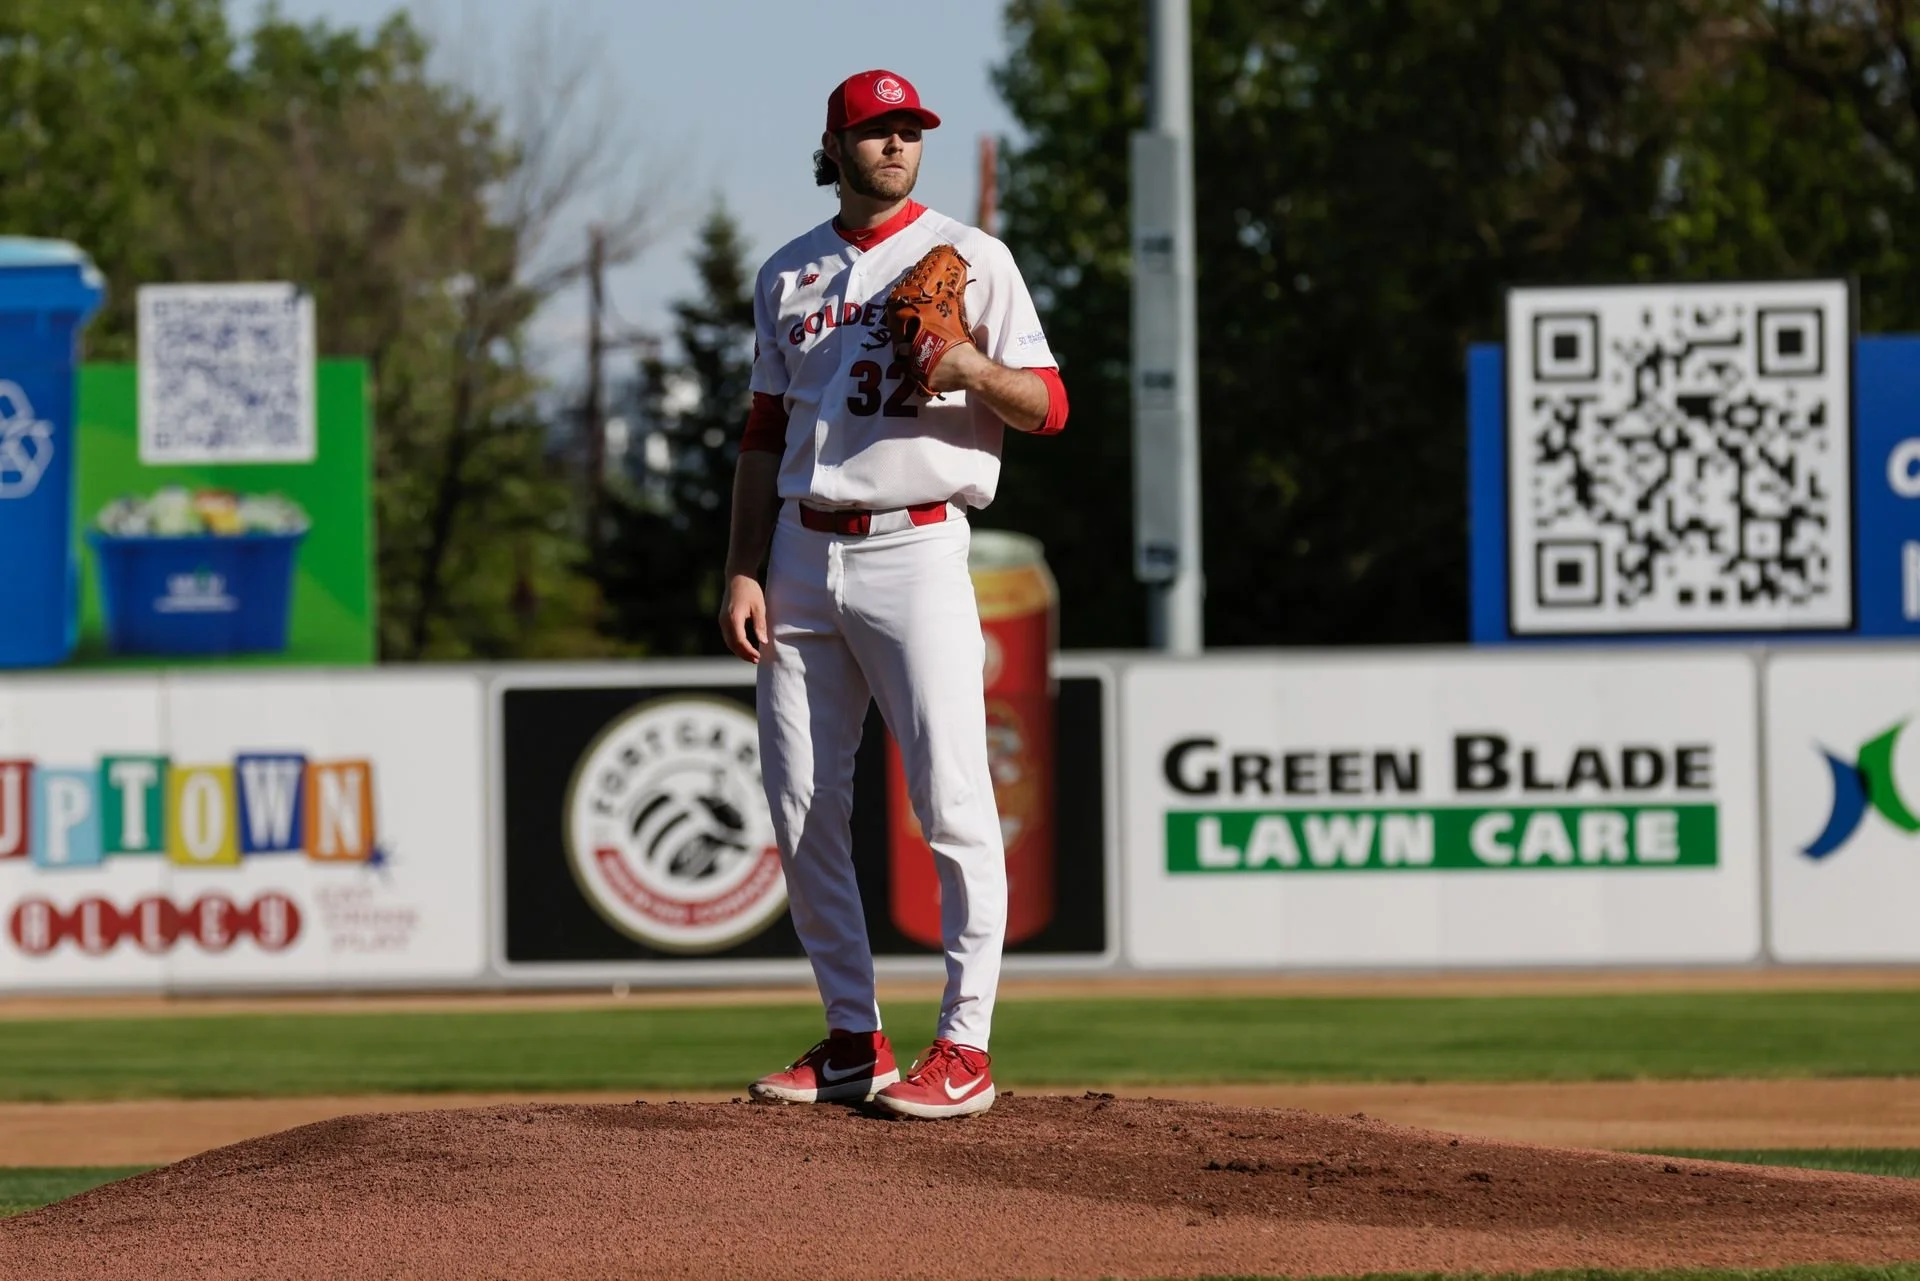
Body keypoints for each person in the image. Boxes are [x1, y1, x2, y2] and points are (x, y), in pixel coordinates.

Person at [717, 69, 1068, 1120]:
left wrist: (966, 363)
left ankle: (965, 1046)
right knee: (803, 806)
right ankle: (851, 1038)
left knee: (953, 800)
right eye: (875, 130)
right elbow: (763, 434)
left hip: (916, 547)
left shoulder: (972, 258)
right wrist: (741, 563)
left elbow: (1048, 406)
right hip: (796, 550)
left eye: (909, 129)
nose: (895, 144)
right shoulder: (787, 273)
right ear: (836, 142)